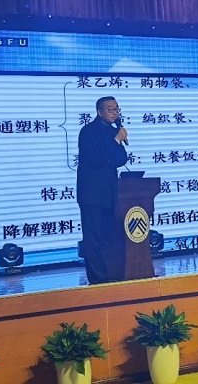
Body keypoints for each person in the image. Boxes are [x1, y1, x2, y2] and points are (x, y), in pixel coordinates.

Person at [76, 96, 128, 284]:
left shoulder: (114, 131)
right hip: (91, 195)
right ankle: (97, 279)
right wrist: (116, 140)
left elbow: (120, 159)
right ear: (99, 112)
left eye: (117, 109)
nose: (115, 112)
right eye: (110, 109)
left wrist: (117, 141)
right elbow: (96, 159)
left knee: (107, 237)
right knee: (93, 239)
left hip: (109, 194)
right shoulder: (88, 131)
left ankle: (109, 275)